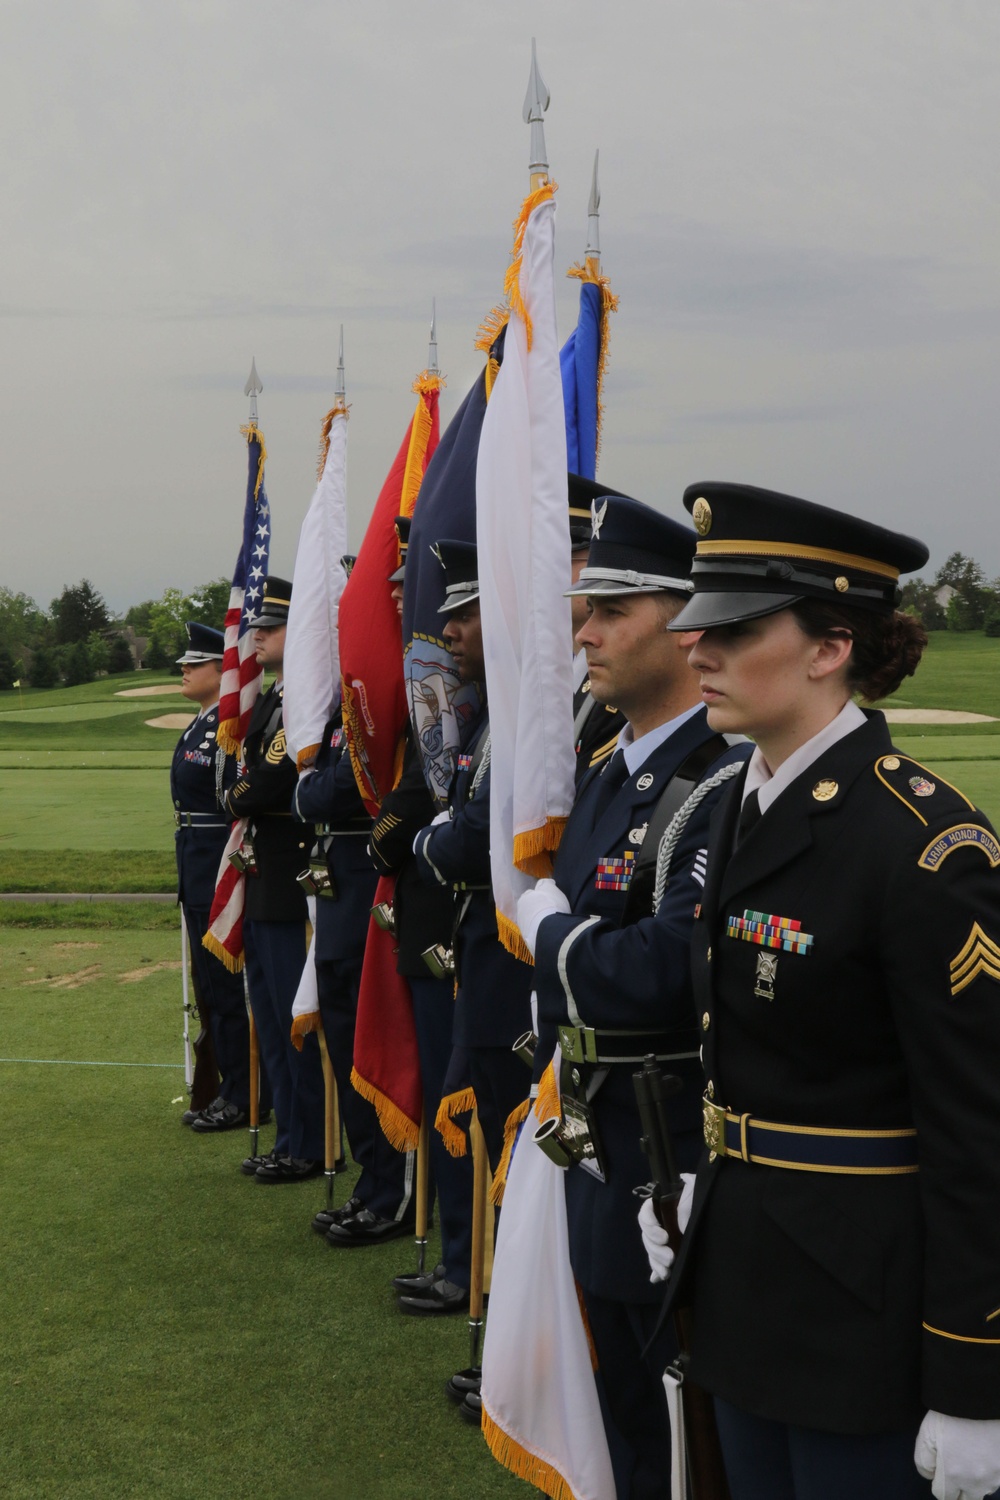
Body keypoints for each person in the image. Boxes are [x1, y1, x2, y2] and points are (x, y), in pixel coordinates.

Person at [639, 481, 1000, 1500]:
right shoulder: (733, 805)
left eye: (731, 629)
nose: (693, 650)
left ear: (828, 646)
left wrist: (975, 1378)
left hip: (867, 1320)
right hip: (750, 1285)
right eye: (693, 626)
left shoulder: (923, 846)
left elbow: (978, 1129)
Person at [515, 494, 750, 1500]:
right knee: (621, 1405)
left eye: (611, 606)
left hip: (669, 1148)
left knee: (680, 1430)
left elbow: (659, 969)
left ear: (685, 620)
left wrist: (552, 933)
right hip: (595, 1130)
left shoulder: (721, 777)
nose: (584, 630)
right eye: (583, 605)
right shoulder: (614, 771)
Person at [363, 517, 474, 1302]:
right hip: (434, 924)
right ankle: (458, 1257)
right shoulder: (441, 695)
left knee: (461, 1103)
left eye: (415, 591)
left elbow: (411, 826)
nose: (400, 600)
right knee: (445, 1097)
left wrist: (397, 832)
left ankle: (470, 1264)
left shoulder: (467, 702)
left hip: (458, 931)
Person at [294, 552, 418, 1246]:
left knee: (377, 1039)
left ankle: (392, 1193)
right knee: (345, 1041)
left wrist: (315, 789)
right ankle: (374, 1181)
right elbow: (312, 789)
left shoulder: (391, 691)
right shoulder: (348, 704)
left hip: (373, 887)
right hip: (339, 890)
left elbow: (334, 789)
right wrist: (314, 788)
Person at [412, 540, 534, 1181]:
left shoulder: (523, 713)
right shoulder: (490, 710)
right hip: (480, 947)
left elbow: (473, 835)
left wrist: (430, 841)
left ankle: (484, 1283)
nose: (448, 631)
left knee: (515, 1146)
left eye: (467, 612)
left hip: (509, 959)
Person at [223, 575, 324, 1183]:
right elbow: (240, 782)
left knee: (293, 1018)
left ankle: (308, 1142)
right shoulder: (269, 701)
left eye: (270, 627)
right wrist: (242, 793)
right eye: (256, 627)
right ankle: (289, 1132)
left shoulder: (303, 701)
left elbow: (262, 784)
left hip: (289, 880)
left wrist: (242, 794)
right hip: (262, 878)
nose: (256, 636)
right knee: (266, 1009)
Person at [171, 622, 262, 1132]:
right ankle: (232, 1086)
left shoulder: (227, 727)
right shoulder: (200, 723)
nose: (184, 669)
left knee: (227, 988)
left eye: (195, 663)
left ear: (221, 670)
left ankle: (244, 1094)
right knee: (210, 986)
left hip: (217, 864)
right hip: (195, 861)